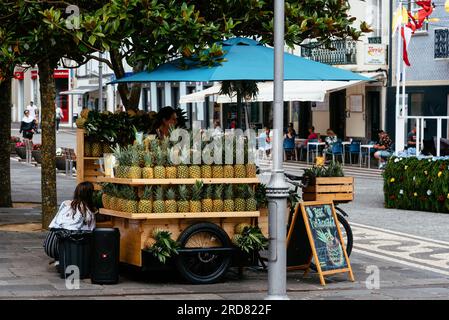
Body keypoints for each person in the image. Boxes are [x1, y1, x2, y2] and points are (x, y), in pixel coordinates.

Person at [43, 182, 97, 264]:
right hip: (67, 248)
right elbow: (92, 230)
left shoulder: (65, 203)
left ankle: (60, 259)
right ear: (90, 195)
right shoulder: (88, 212)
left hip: (49, 244)